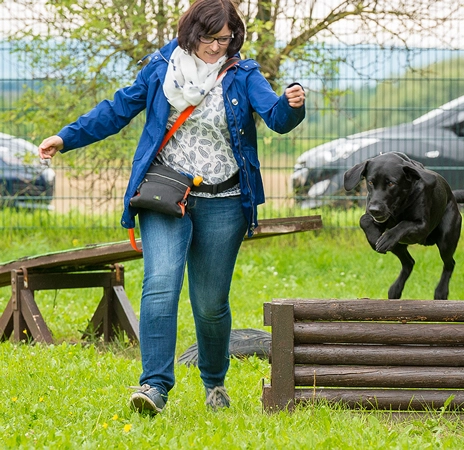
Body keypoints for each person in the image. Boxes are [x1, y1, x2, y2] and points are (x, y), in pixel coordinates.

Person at [38, 0, 305, 415]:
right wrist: (65, 137)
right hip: (166, 194)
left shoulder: (243, 74)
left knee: (211, 302)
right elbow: (117, 109)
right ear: (190, 33)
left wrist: (291, 104)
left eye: (226, 38)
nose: (219, 47)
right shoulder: (163, 67)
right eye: (210, 38)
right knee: (160, 285)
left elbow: (275, 116)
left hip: (225, 200)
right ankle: (154, 386)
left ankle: (214, 382)